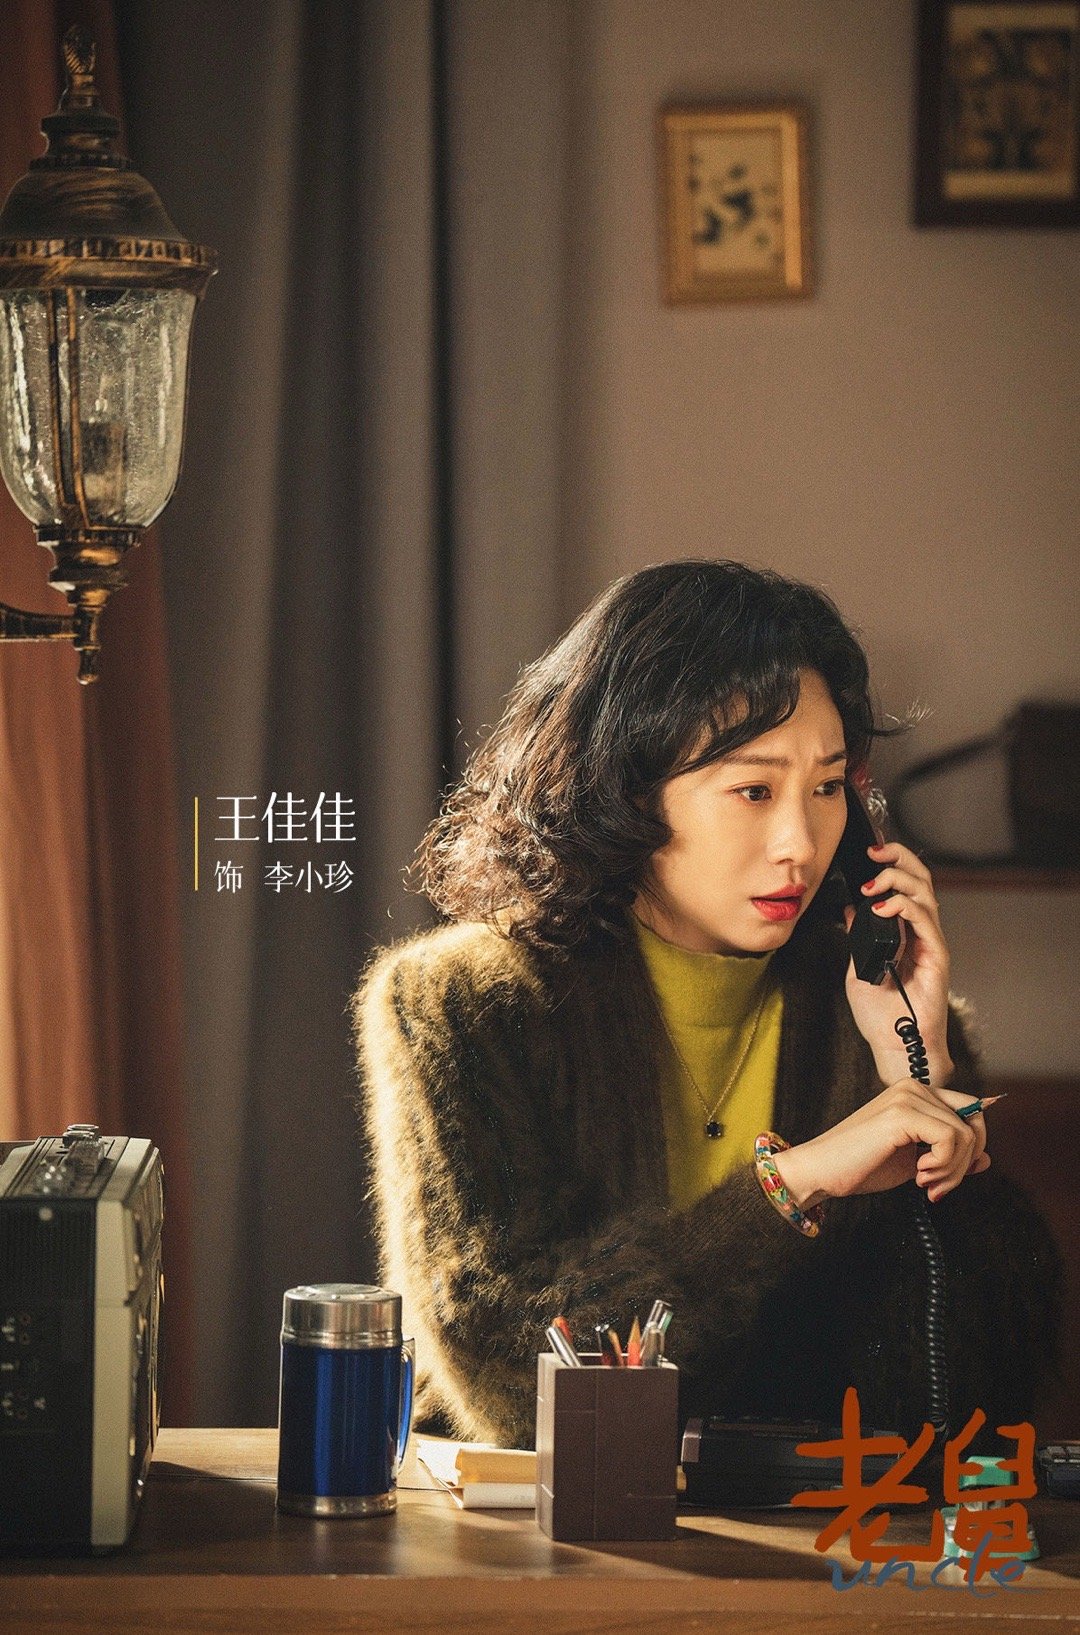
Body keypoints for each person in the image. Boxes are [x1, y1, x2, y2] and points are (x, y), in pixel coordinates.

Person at [353, 560, 1060, 1452]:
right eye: (754, 790)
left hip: (805, 1522)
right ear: (627, 788)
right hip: (542, 1519)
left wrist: (919, 1073)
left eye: (827, 787)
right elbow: (509, 1375)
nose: (799, 843)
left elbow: (983, 1391)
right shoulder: (457, 1004)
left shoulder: (875, 1008)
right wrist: (793, 1184)